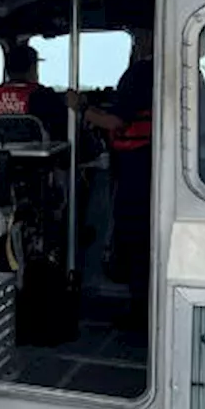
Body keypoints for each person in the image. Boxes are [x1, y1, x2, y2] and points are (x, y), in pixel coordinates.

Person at [67, 28, 153, 330]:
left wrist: (81, 108)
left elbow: (115, 121)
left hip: (135, 168)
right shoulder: (156, 73)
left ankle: (140, 313)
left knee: (134, 237)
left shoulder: (141, 73)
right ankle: (143, 309)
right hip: (148, 163)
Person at [0, 42, 66, 141]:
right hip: (38, 155)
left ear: (7, 70)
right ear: (33, 68)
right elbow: (61, 129)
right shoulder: (46, 98)